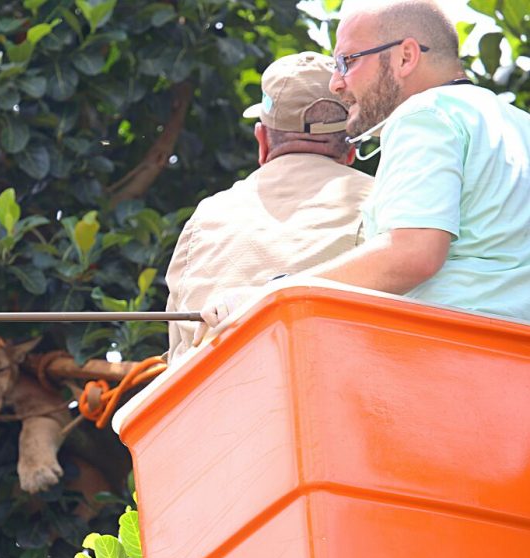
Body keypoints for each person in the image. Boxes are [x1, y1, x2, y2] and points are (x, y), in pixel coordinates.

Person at [195, 0, 530, 340]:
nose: (335, 83)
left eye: (348, 61)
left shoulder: (424, 113)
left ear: (405, 57)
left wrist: (274, 293)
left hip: (456, 347)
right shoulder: (518, 123)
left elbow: (413, 253)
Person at [165, 52, 374, 362]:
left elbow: (177, 355)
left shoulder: (205, 217)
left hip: (220, 387)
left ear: (262, 141)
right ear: (351, 146)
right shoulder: (385, 201)